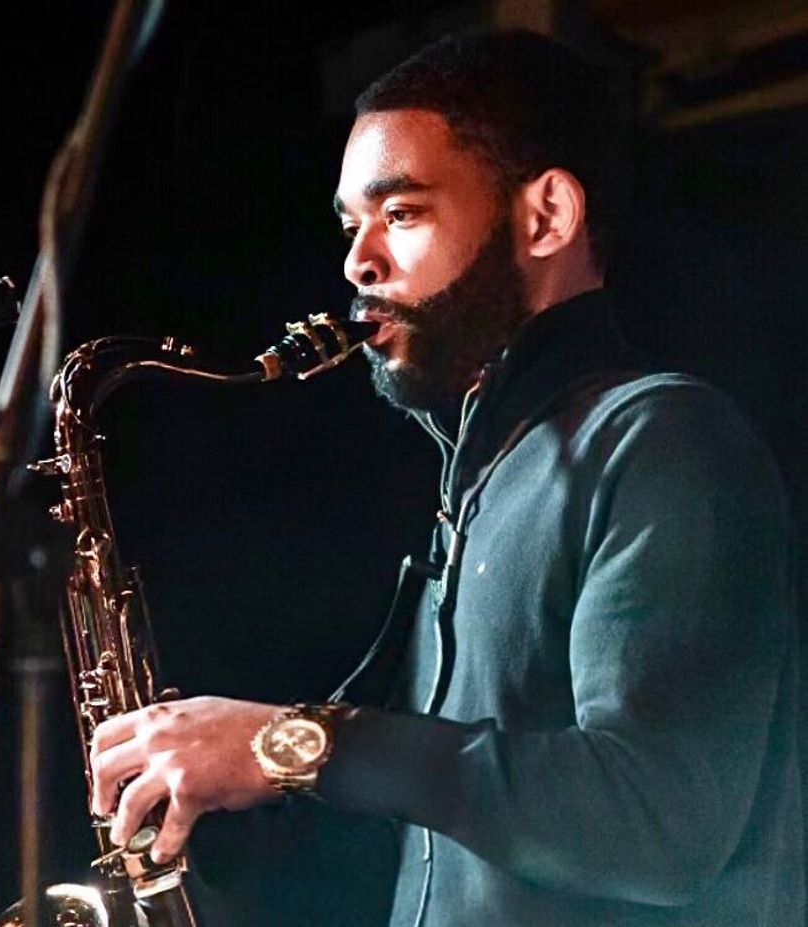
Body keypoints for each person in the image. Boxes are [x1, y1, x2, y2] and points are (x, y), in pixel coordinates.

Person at [89, 26, 804, 926]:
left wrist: (291, 743)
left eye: (402, 213)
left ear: (545, 216)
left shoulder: (664, 439)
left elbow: (658, 820)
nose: (358, 261)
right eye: (351, 225)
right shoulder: (475, 484)